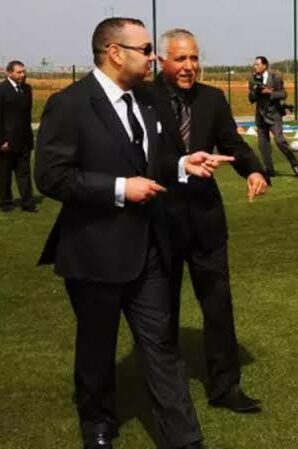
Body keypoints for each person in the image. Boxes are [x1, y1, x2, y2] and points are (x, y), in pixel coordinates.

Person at [35, 17, 232, 449]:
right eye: (145, 50)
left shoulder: (147, 101)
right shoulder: (70, 104)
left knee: (161, 346)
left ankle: (184, 439)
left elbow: (150, 162)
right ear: (114, 53)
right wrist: (120, 189)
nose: (154, 58)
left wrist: (181, 164)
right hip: (93, 252)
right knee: (97, 347)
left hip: (150, 250)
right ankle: (98, 425)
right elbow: (50, 176)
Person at [152, 28, 267, 413]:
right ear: (162, 61)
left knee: (218, 304)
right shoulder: (144, 98)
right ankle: (166, 391)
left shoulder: (212, 98)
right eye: (180, 59)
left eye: (194, 58)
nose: (190, 66)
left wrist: (253, 169)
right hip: (160, 219)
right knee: (162, 310)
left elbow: (231, 143)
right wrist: (179, 165)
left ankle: (226, 387)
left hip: (205, 219)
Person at [248, 56, 298, 178]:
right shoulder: (252, 79)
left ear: (265, 65)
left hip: (274, 114)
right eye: (254, 64)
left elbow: (283, 94)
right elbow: (251, 99)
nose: (255, 66)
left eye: (257, 64)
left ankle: (295, 164)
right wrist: (256, 92)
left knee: (280, 141)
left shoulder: (275, 77)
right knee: (263, 145)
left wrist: (270, 93)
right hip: (260, 116)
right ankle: (269, 170)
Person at [0, 60, 38, 212]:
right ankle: (5, 203)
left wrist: (29, 138)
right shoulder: (2, 90)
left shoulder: (27, 89)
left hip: (24, 140)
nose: (23, 74)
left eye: (23, 71)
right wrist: (2, 140)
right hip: (6, 142)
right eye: (19, 72)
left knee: (24, 173)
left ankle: (28, 203)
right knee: (4, 175)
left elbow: (26, 116)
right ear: (9, 73)